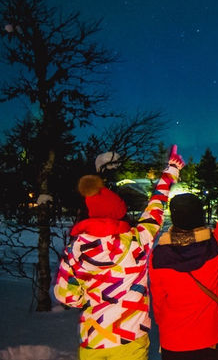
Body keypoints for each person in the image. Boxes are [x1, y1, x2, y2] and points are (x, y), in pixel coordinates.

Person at [54, 145, 185, 360]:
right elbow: (154, 210)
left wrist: (89, 298)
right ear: (119, 214)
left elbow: (65, 296)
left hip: (94, 340)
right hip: (131, 339)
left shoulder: (74, 251)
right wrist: (169, 172)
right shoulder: (137, 242)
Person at [149, 148, 218, 360]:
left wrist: (166, 325)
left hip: (173, 341)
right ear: (200, 216)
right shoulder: (213, 248)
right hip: (208, 340)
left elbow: (158, 302)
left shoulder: (158, 256)